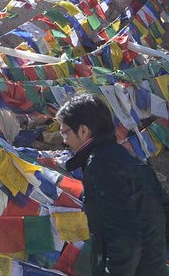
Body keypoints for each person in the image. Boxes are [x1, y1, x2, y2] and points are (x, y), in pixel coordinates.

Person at [56, 93, 167, 275]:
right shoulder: (128, 157)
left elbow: (123, 235)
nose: (64, 140)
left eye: (64, 132)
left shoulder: (101, 165)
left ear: (83, 131)